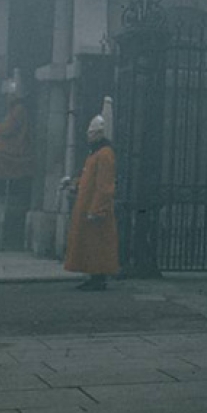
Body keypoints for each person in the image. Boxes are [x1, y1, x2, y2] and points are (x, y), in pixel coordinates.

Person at [63, 107, 120, 291]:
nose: (88, 136)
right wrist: (74, 183)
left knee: (97, 244)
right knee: (90, 243)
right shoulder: (96, 154)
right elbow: (89, 179)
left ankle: (98, 277)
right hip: (88, 205)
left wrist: (97, 209)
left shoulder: (104, 154)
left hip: (94, 208)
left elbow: (104, 186)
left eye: (91, 133)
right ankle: (94, 275)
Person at [0, 70, 34, 183]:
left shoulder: (19, 109)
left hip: (18, 143)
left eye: (9, 94)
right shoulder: (14, 108)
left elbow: (9, 127)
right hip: (13, 139)